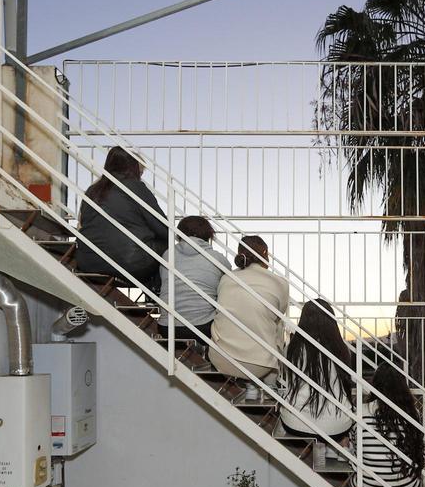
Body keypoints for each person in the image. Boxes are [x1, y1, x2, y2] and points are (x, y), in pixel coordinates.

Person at [76, 146, 169, 291]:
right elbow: (164, 228)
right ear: (132, 168)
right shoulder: (135, 188)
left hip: (88, 260)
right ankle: (155, 292)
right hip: (129, 262)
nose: (141, 175)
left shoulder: (92, 191)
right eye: (140, 171)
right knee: (166, 244)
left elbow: (82, 223)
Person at [210, 236, 290, 382]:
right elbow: (280, 311)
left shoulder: (226, 278)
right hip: (259, 365)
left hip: (220, 358)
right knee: (278, 322)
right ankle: (270, 383)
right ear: (265, 253)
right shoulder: (280, 282)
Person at [349, 362, 424, 487]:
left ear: (375, 386)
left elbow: (354, 443)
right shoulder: (413, 414)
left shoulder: (361, 412)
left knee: (351, 465)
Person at [278, 299, 355, 440]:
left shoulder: (291, 349)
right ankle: (333, 448)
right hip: (337, 424)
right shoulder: (342, 350)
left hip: (295, 422)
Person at [157, 215, 229, 351]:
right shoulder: (218, 259)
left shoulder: (167, 255)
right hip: (202, 328)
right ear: (208, 235)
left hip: (167, 327)